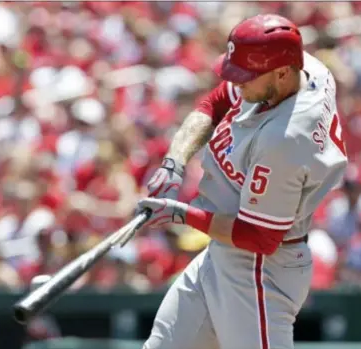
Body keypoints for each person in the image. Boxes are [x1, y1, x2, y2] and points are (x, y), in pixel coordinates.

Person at [137, 14, 348, 349]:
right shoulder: (301, 67)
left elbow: (259, 237)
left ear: (281, 73)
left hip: (261, 271)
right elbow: (216, 101)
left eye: (246, 76)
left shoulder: (287, 138)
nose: (238, 82)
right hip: (223, 254)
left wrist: (180, 214)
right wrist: (174, 161)